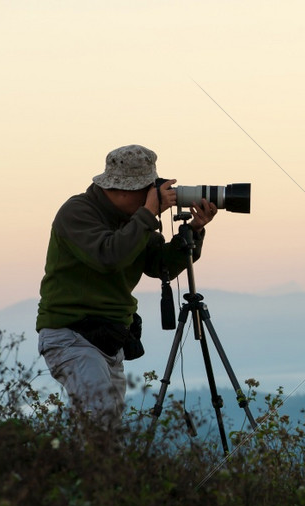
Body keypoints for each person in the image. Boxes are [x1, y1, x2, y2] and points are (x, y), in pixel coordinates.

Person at [36, 144, 217, 428]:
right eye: (146, 191)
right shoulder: (77, 213)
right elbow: (108, 256)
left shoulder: (136, 220)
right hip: (71, 334)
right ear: (121, 189)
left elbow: (160, 265)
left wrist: (193, 230)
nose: (153, 198)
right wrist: (146, 214)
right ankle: (74, 471)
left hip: (110, 337)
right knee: (101, 424)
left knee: (105, 429)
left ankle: (83, 472)